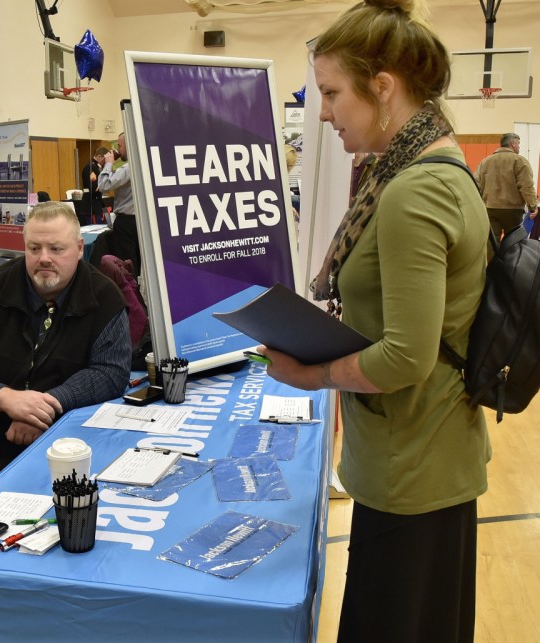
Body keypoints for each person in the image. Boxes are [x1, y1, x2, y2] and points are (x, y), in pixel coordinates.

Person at [257, 1, 490, 641]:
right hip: (420, 457)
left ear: (382, 87)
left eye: (332, 93)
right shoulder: (423, 170)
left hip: (412, 467)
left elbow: (406, 358)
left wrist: (313, 373)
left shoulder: (415, 189)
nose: (324, 112)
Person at [0, 201, 131, 502]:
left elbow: (110, 372)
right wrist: (6, 399)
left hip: (65, 453)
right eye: (34, 248)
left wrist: (44, 406)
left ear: (80, 248)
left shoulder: (105, 298)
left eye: (56, 249)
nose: (44, 259)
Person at [474, 132, 538, 240]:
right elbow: (526, 186)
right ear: (513, 143)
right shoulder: (520, 161)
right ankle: (510, 257)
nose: (519, 146)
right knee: (513, 242)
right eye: (518, 143)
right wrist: (533, 206)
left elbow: (476, 186)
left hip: (490, 209)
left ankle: (493, 258)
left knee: (491, 243)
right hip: (513, 211)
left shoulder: (485, 162)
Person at [98, 132, 141, 276]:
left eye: (120, 145)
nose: (118, 149)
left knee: (127, 265)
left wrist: (109, 163)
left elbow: (104, 185)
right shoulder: (144, 164)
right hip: (141, 222)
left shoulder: (130, 167)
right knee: (138, 263)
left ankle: (130, 295)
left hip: (127, 222)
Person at [79, 146, 108, 226]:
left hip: (96, 205)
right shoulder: (90, 168)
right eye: (105, 160)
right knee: (95, 230)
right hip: (91, 206)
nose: (106, 163)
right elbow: (92, 187)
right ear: (99, 156)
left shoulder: (96, 167)